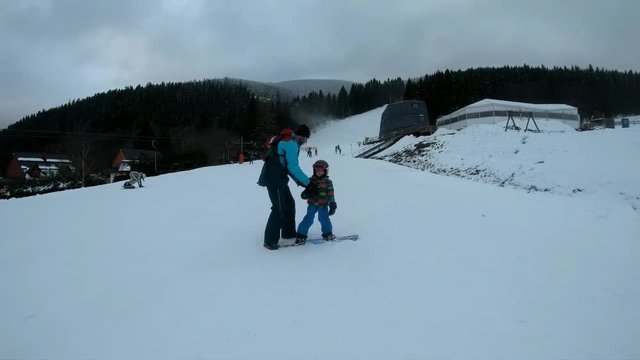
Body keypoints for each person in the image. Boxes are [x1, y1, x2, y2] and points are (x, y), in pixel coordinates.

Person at [258, 124, 316, 250]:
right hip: (275, 180)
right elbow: (293, 167)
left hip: (279, 178)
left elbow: (288, 167)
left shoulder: (286, 141)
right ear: (301, 136)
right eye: (305, 138)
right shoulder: (291, 144)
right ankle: (269, 240)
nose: (305, 141)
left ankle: (288, 232)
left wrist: (304, 182)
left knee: (289, 204)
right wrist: (308, 183)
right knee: (279, 208)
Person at [295, 160, 337, 244]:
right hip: (312, 204)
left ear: (325, 171)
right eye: (317, 170)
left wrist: (332, 203)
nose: (319, 172)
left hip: (323, 204)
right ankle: (301, 235)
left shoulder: (328, 182)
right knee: (309, 218)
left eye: (321, 171)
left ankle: (327, 233)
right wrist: (305, 194)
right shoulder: (310, 181)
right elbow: (306, 191)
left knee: (324, 218)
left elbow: (330, 194)